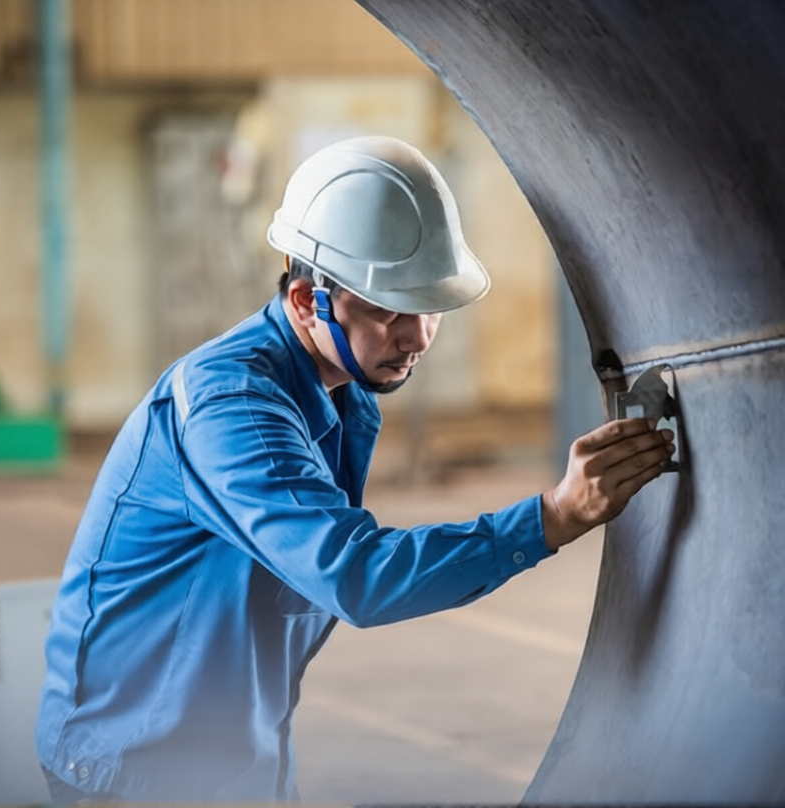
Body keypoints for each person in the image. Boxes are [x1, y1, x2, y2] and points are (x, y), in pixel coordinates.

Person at [34, 136, 674, 801]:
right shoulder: (236, 409)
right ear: (311, 300)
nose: (418, 336)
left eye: (429, 307)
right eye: (387, 310)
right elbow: (354, 575)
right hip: (133, 769)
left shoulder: (343, 391)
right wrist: (555, 516)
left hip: (234, 754)